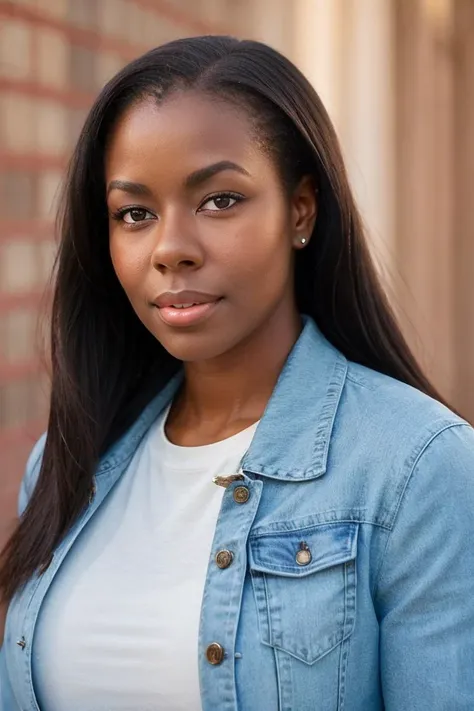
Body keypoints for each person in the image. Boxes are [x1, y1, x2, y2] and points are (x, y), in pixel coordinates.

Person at [0, 35, 473, 711]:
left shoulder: (417, 471)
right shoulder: (66, 465)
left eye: (219, 200)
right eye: (135, 213)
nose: (171, 250)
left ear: (300, 211)